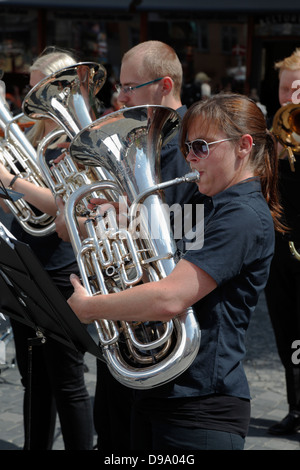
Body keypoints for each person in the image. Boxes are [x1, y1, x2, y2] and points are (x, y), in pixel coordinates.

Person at [67, 92, 284, 450]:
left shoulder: (243, 216)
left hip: (201, 409)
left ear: (243, 146)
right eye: (186, 148)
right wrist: (126, 221)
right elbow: (162, 255)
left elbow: (170, 298)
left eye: (200, 146)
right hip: (164, 398)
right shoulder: (213, 205)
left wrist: (91, 308)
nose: (190, 158)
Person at [0, 49, 94, 450]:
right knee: (33, 376)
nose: (28, 99)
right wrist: (8, 192)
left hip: (61, 271)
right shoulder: (34, 135)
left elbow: (69, 205)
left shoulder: (80, 140)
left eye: (37, 86)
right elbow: (27, 208)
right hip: (28, 263)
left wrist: (11, 180)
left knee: (67, 381)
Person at [265, 48, 300, 435]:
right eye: (285, 88)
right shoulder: (273, 134)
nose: (290, 98)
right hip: (280, 250)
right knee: (287, 333)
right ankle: (296, 406)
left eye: (298, 89)